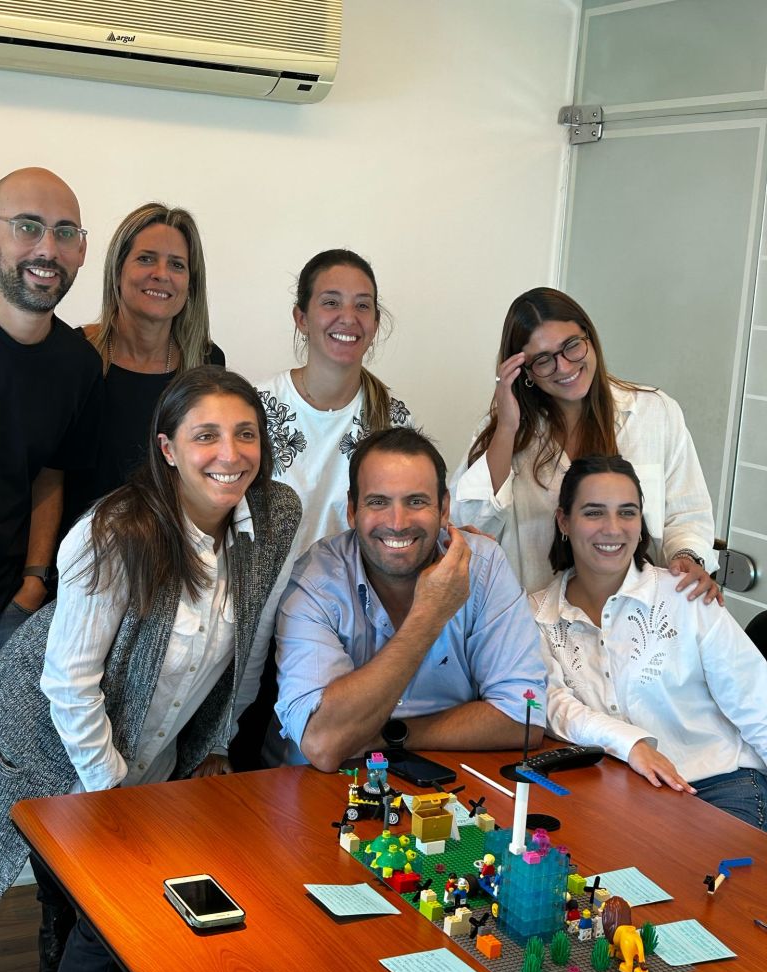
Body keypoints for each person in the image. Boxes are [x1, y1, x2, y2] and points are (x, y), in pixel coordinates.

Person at [0, 366, 301, 972]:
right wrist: (111, 795)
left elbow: (247, 640)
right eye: (206, 435)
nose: (230, 453)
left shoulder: (273, 515)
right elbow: (68, 683)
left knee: (142, 912)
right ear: (168, 449)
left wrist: (217, 742)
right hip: (45, 740)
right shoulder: (117, 529)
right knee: (109, 913)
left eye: (245, 434)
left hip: (150, 750)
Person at [0, 167, 102, 972]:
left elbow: (51, 474)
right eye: (27, 227)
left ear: (81, 251)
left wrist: (29, 584)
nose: (45, 248)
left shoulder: (75, 364)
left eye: (63, 232)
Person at [267, 427, 546, 772]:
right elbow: (324, 745)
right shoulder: (316, 580)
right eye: (378, 502)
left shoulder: (483, 565)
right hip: (313, 786)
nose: (397, 523)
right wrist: (428, 616)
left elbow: (524, 718)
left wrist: (391, 735)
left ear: (444, 509)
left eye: (416, 502)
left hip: (442, 777)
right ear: (352, 510)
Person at [531, 454, 767, 830]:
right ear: (564, 521)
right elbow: (552, 706)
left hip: (720, 784)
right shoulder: (538, 614)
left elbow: (757, 702)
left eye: (627, 513)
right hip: (621, 789)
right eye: (594, 512)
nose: (613, 528)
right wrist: (632, 744)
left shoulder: (686, 595)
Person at [449, 287, 719, 599]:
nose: (564, 367)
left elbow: (688, 514)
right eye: (543, 360)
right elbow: (467, 529)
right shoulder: (505, 432)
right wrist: (507, 428)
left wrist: (687, 557)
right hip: (534, 620)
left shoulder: (654, 413)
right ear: (524, 372)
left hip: (642, 615)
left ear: (589, 338)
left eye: (571, 346)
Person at [63, 202, 225, 529]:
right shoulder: (73, 354)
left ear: (190, 284)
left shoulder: (207, 364)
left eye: (177, 265)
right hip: (79, 551)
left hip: (171, 548)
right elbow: (48, 475)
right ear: (117, 270)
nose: (161, 274)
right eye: (146, 258)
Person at [257, 248, 412, 553]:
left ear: (375, 322)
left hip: (354, 585)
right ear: (301, 318)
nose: (349, 318)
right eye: (331, 303)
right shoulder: (255, 409)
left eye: (362, 305)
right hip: (262, 586)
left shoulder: (395, 421)